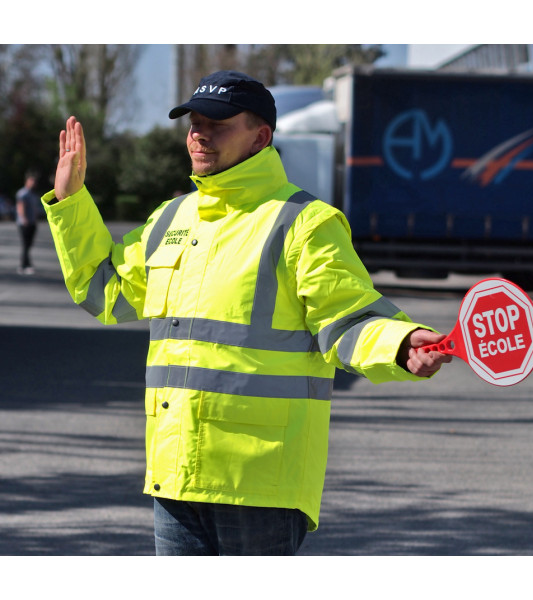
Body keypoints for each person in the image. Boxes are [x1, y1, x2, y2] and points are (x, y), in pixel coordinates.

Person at [41, 70, 451, 556]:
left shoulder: (304, 223)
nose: (199, 133)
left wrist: (401, 345)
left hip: (260, 484)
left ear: (261, 137)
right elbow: (103, 288)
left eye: (217, 123)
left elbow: (348, 317)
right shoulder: (172, 218)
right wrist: (71, 201)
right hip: (174, 479)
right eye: (194, 121)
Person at [16, 172, 40, 275]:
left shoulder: (33, 194)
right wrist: (23, 218)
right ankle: (24, 265)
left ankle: (25, 264)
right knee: (26, 245)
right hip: (25, 223)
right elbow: (20, 206)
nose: (33, 183)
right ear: (27, 181)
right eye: (32, 181)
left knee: (29, 245)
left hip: (32, 222)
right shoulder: (23, 193)